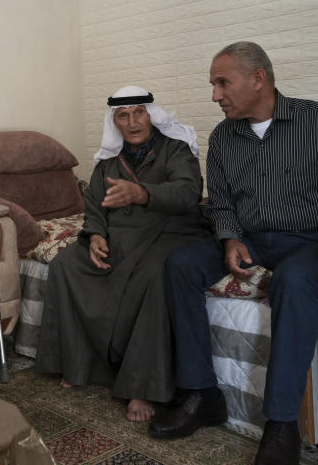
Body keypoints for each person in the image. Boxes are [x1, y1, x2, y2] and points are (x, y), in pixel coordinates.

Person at [148, 42, 318, 465]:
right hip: (254, 239)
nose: (214, 95)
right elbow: (220, 203)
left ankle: (281, 426)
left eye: (222, 83)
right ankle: (201, 393)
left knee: (294, 279)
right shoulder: (224, 136)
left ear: (259, 77)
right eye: (213, 85)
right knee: (181, 263)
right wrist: (228, 238)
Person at [35, 85, 209, 421]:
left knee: (154, 275)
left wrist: (141, 193)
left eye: (138, 113)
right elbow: (95, 203)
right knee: (65, 264)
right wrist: (97, 234)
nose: (132, 122)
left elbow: (188, 192)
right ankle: (77, 364)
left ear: (150, 114)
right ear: (114, 122)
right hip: (121, 237)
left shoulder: (176, 149)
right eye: (123, 116)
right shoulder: (108, 163)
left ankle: (141, 387)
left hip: (170, 233)